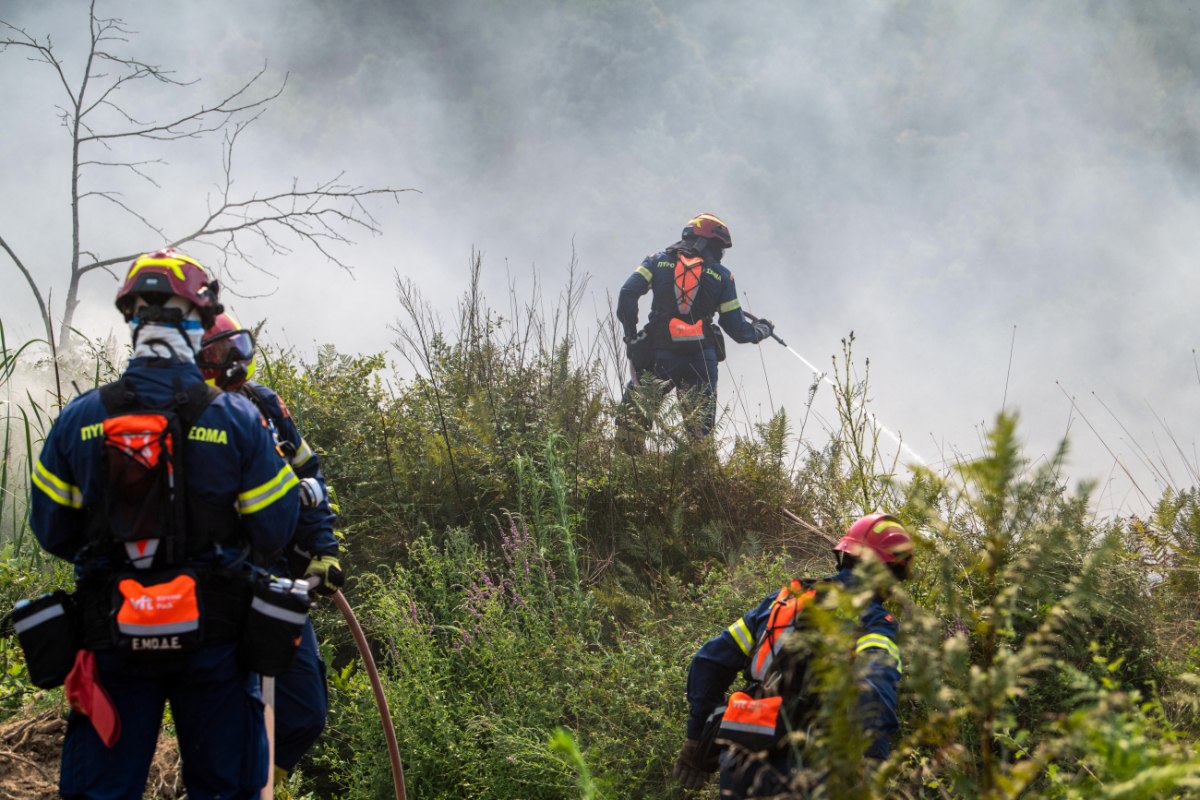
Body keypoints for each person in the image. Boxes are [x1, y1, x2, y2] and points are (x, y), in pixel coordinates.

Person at [29, 248, 301, 799]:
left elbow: (52, 531)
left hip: (113, 639)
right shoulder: (236, 418)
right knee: (226, 788)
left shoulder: (78, 419)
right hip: (216, 645)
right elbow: (275, 529)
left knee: (101, 792)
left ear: (131, 318)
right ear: (200, 320)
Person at [198, 312, 344, 788]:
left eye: (238, 345)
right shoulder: (186, 416)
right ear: (198, 358)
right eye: (222, 351)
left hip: (275, 578)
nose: (236, 361)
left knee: (305, 709)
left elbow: (310, 476)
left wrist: (323, 548)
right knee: (222, 714)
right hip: (208, 587)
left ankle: (260, 784)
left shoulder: (265, 404)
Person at [673, 513, 914, 798]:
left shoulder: (782, 602)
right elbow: (875, 688)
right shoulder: (873, 620)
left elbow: (708, 662)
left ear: (844, 557)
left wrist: (695, 737)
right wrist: (872, 764)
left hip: (742, 758)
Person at [616, 212, 774, 441]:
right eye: (720, 248)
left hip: (658, 354)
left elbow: (627, 294)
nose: (721, 254)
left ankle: (628, 465)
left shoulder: (656, 261)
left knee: (631, 422)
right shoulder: (722, 276)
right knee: (700, 434)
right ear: (710, 243)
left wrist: (631, 336)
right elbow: (738, 329)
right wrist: (762, 330)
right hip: (701, 359)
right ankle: (699, 470)